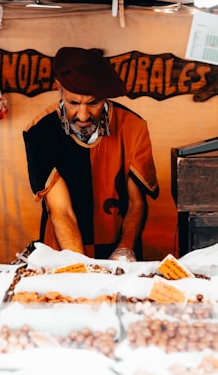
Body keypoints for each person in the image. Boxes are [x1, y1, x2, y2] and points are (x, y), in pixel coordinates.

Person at [23, 47, 159, 262]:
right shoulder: (40, 131)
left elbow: (136, 203)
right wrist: (82, 267)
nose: (83, 115)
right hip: (63, 249)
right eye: (74, 103)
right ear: (59, 89)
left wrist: (125, 249)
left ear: (105, 97)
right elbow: (62, 211)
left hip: (119, 247)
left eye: (93, 103)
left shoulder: (133, 126)